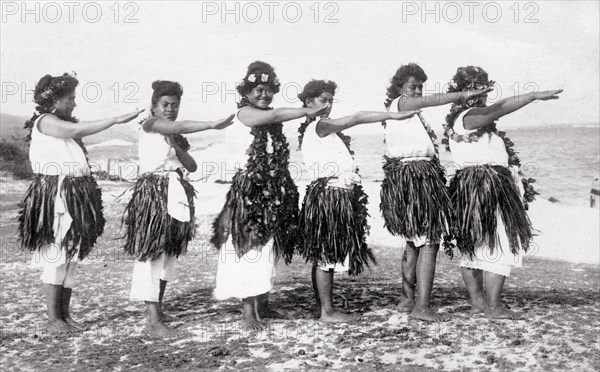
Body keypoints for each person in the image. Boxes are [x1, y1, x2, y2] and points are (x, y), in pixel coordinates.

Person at [18, 72, 144, 334]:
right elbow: (76, 129)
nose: (74, 103)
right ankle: (53, 318)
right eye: (70, 98)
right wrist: (116, 119)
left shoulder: (59, 124)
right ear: (54, 99)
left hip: (75, 193)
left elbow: (75, 132)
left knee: (71, 254)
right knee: (57, 253)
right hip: (57, 195)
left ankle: (64, 315)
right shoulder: (46, 121)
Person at [211, 62, 328, 330]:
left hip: (273, 190)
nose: (264, 95)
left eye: (268, 91)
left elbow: (274, 126)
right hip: (250, 191)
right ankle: (248, 313)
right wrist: (306, 111)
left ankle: (263, 303)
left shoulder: (268, 121)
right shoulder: (245, 114)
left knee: (268, 249)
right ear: (247, 92)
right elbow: (274, 116)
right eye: (258, 90)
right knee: (250, 249)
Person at [443, 66, 562, 319]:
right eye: (474, 86)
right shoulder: (468, 116)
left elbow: (497, 106)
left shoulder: (478, 121)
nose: (482, 91)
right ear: (459, 92)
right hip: (484, 188)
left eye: (484, 85)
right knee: (499, 242)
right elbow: (496, 109)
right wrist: (531, 97)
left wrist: (532, 95)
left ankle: (479, 305)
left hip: (477, 187)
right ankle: (492, 307)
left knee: (475, 246)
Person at [297, 79, 419, 322]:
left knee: (325, 254)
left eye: (331, 100)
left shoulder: (322, 129)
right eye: (323, 100)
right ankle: (327, 311)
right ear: (308, 103)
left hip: (334, 194)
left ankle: (323, 307)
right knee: (326, 256)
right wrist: (392, 116)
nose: (328, 105)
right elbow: (357, 117)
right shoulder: (320, 126)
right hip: (330, 196)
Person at [380, 63, 490, 322]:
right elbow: (434, 100)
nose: (417, 91)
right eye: (412, 86)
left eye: (420, 86)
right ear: (399, 88)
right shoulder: (401, 104)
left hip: (410, 177)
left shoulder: (407, 112)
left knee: (413, 241)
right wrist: (462, 96)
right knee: (429, 240)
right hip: (416, 178)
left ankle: (407, 301)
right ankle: (422, 307)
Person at [122, 80, 233, 337]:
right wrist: (210, 125)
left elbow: (192, 166)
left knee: (167, 254)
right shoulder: (150, 125)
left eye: (175, 105)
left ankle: (157, 310)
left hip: (175, 194)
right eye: (165, 104)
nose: (170, 109)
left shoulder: (170, 134)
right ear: (154, 107)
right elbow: (177, 125)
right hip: (155, 195)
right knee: (152, 254)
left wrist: (176, 144)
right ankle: (153, 321)